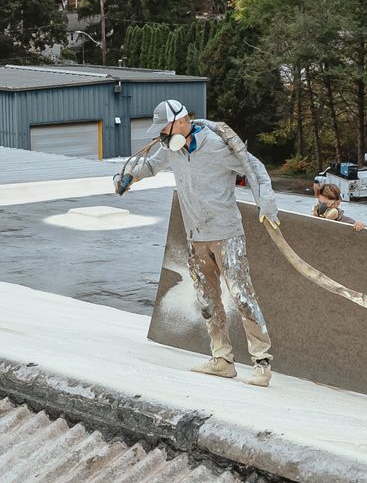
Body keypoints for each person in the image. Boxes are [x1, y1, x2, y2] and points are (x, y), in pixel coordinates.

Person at [115, 99, 281, 387]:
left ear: (181, 122)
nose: (162, 136)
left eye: (164, 129)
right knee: (208, 301)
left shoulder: (217, 146)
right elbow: (152, 166)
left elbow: (254, 169)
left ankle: (261, 363)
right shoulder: (172, 149)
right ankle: (222, 360)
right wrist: (129, 177)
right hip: (196, 238)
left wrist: (266, 204)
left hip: (227, 235)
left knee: (242, 297)